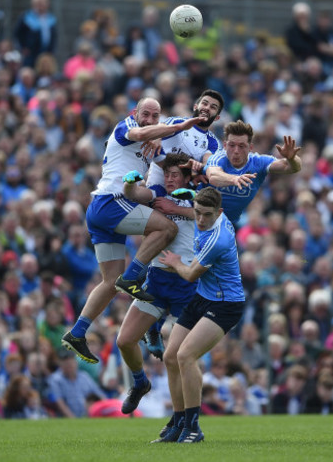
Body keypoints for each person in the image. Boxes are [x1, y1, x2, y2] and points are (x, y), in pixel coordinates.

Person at [61, 97, 205, 364]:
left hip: (101, 212)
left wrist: (200, 167)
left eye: (155, 116)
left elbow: (173, 165)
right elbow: (140, 133)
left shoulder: (151, 144)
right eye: (146, 114)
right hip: (111, 202)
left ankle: (78, 332)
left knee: (108, 282)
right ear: (134, 113)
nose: (150, 120)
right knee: (167, 228)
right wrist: (180, 126)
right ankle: (132, 278)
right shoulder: (125, 128)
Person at [156, 187, 245, 443]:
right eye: (197, 213)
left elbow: (190, 274)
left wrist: (174, 262)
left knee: (186, 355)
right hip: (204, 297)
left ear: (219, 213)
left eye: (207, 215)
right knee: (170, 356)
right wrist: (189, 193)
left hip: (225, 304)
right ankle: (178, 422)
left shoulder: (217, 239)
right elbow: (198, 199)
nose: (201, 220)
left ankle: (193, 428)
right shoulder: (207, 211)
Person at [142, 88, 225, 359]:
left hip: (182, 188)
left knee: (178, 237)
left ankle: (156, 319)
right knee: (159, 232)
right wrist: (155, 140)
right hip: (158, 183)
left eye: (213, 106)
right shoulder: (172, 123)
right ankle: (143, 295)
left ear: (217, 114)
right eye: (204, 102)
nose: (207, 108)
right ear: (195, 104)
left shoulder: (212, 143)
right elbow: (151, 135)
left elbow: (207, 166)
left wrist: (202, 168)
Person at [115, 153, 197, 415]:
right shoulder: (158, 192)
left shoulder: (196, 194)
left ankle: (185, 419)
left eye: (176, 175)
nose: (170, 179)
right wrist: (129, 184)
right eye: (168, 174)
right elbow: (135, 195)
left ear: (186, 177)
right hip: (158, 279)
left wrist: (175, 209)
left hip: (187, 283)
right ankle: (140, 383)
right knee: (125, 341)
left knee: (182, 358)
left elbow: (213, 212)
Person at [204, 120, 302, 228]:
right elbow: (213, 176)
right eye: (232, 145)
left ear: (250, 148)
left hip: (229, 224)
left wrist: (292, 158)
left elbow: (292, 167)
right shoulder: (219, 158)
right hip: (201, 218)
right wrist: (235, 179)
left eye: (241, 146)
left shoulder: (258, 162)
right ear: (225, 145)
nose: (236, 151)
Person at [14, 0, 57, 68]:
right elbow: (18, 33)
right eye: (38, 3)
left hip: (46, 52)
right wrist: (23, 47)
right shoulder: (26, 17)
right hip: (31, 53)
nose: (41, 6)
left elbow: (54, 36)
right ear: (33, 4)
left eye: (43, 3)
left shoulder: (51, 18)